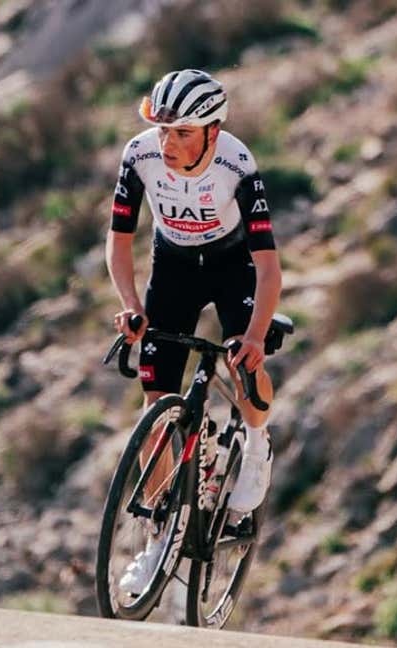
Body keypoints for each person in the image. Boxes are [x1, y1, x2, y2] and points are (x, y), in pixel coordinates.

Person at [106, 69, 283, 597]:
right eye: (163, 130)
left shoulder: (237, 163)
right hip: (175, 267)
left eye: (182, 133)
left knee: (244, 366)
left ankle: (256, 442)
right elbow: (118, 243)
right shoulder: (138, 156)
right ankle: (159, 538)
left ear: (212, 130)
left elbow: (269, 267)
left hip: (233, 268)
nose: (168, 143)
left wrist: (253, 336)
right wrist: (131, 306)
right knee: (154, 405)